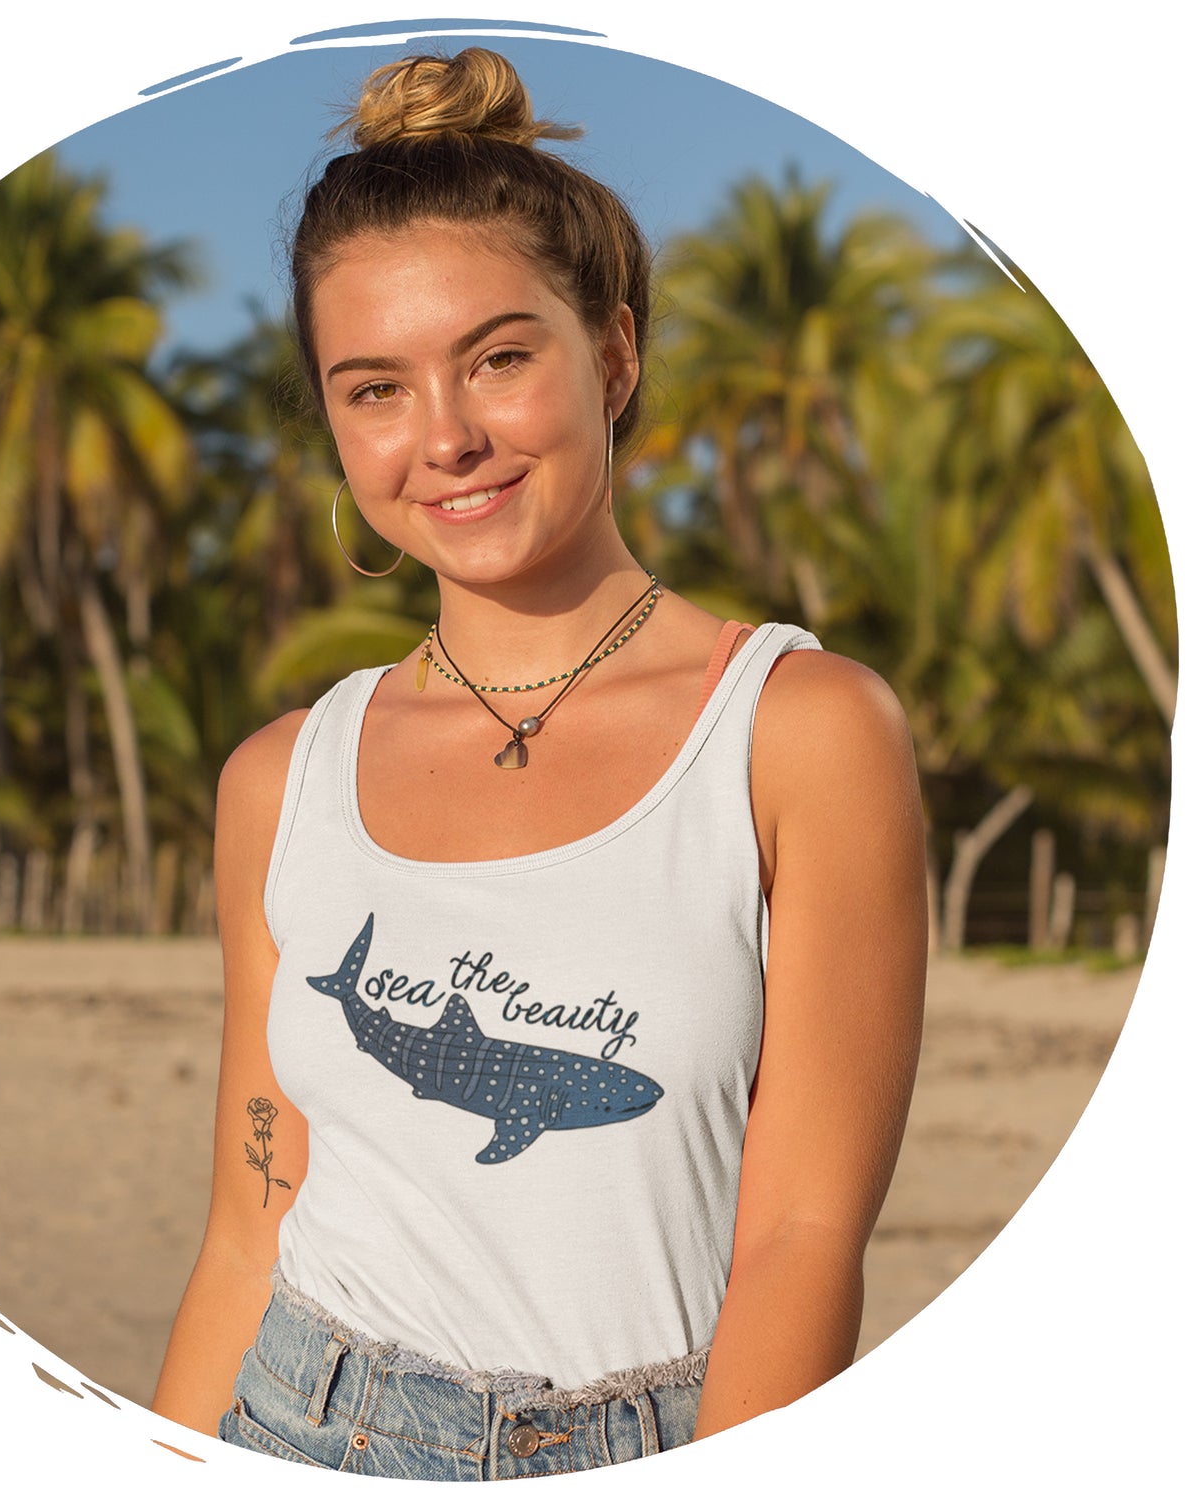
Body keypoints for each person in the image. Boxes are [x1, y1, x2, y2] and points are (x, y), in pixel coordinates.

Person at [151, 47, 926, 1480]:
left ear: (614, 354)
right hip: (306, 1423)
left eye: (499, 357)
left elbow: (804, 1236)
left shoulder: (800, 732)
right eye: (374, 388)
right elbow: (251, 1226)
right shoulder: (282, 777)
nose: (444, 437)